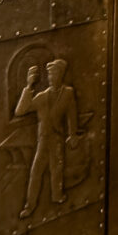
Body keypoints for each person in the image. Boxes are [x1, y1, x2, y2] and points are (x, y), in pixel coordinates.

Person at [15, 59, 78, 217]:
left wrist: (73, 134)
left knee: (57, 169)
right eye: (49, 74)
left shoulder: (68, 93)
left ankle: (57, 197)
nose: (51, 77)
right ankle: (30, 205)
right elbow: (20, 111)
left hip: (57, 138)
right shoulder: (42, 97)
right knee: (36, 171)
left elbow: (72, 115)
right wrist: (29, 86)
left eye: (54, 74)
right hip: (43, 140)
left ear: (61, 75)